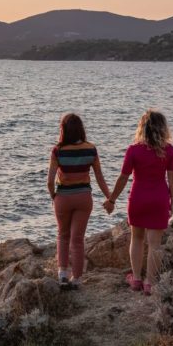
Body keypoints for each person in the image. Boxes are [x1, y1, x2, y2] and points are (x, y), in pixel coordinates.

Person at [104, 110, 173, 296]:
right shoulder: (169, 151)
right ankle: (150, 283)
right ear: (163, 128)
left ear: (142, 128)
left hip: (138, 199)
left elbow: (122, 178)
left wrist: (112, 199)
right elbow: (172, 181)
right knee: (155, 244)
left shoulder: (133, 150)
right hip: (159, 200)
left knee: (136, 238)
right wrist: (172, 202)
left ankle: (136, 279)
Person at [47, 113, 112, 289]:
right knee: (77, 239)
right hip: (84, 198)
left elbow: (50, 181)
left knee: (62, 235)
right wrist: (110, 198)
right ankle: (76, 279)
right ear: (81, 129)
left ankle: (62, 274)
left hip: (63, 198)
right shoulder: (91, 149)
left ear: (63, 130)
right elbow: (99, 177)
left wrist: (54, 195)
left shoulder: (57, 150)